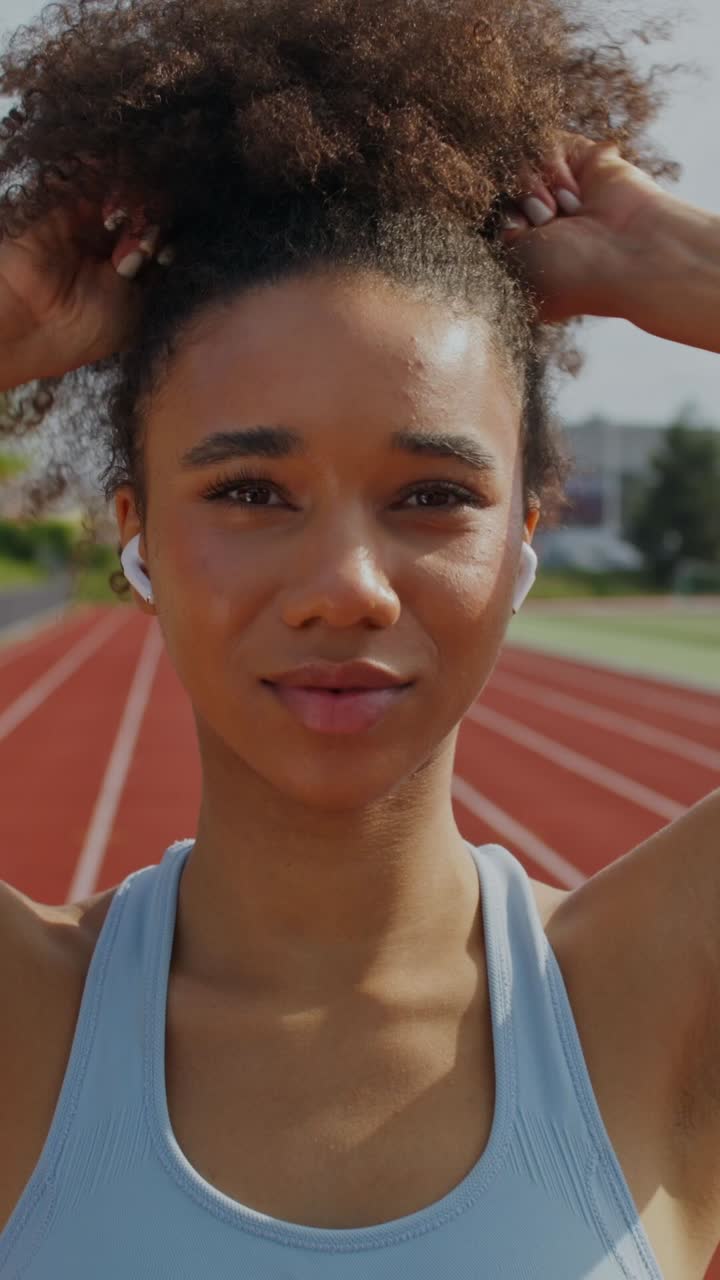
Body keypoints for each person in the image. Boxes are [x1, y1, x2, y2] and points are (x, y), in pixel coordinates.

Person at [0, 0, 718, 1276]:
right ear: (139, 532)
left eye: (433, 495)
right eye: (249, 492)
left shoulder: (657, 1000)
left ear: (525, 535)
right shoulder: (25, 1024)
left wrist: (688, 261)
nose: (347, 587)